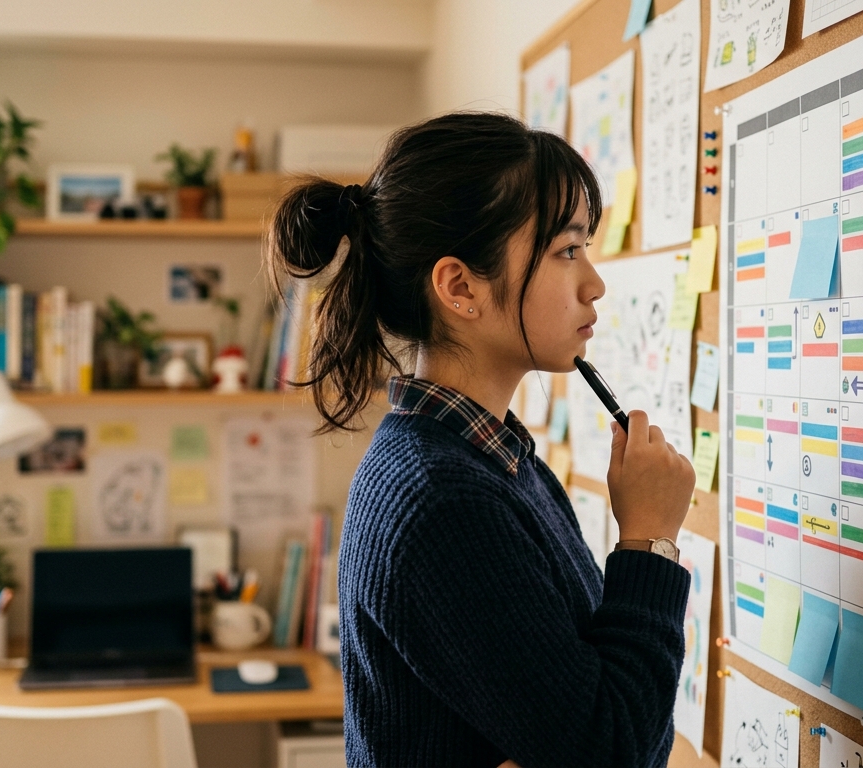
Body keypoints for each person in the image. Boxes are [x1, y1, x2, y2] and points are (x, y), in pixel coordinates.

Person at [266, 112, 696, 767]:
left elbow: (598, 706)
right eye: (567, 250)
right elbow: (611, 751)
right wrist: (650, 542)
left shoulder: (494, 459)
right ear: (460, 288)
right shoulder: (445, 501)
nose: (595, 283)